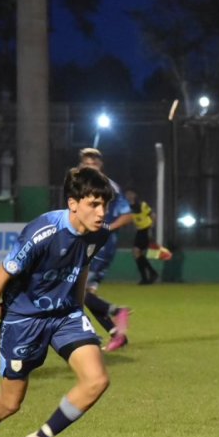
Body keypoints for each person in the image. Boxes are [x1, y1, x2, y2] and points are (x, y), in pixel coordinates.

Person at [0, 166, 114, 437]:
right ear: (73, 203)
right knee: (9, 403)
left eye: (104, 204)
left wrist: (79, 315)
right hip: (23, 321)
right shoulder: (44, 232)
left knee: (97, 380)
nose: (101, 212)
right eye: (94, 204)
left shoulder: (99, 235)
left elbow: (79, 269)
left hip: (64, 314)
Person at [78, 148, 134, 351]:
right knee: (85, 294)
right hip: (85, 243)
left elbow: (127, 216)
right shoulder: (81, 186)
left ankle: (115, 311)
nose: (90, 164)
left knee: (76, 291)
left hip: (100, 246)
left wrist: (107, 228)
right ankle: (116, 334)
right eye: (86, 161)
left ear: (100, 165)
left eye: (94, 161)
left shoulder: (109, 186)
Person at [125, 189, 158, 284]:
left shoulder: (142, 205)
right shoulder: (129, 207)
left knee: (136, 252)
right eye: (127, 194)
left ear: (134, 194)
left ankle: (148, 276)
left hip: (145, 230)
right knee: (137, 254)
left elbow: (153, 215)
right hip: (139, 231)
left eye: (130, 193)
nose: (129, 196)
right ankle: (148, 276)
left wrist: (152, 227)